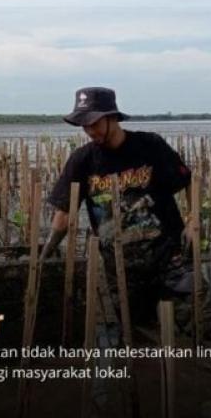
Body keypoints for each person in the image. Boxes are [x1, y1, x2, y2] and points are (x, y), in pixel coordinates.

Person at [42, 87, 193, 323]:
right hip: (122, 267)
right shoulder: (82, 160)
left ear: (112, 117)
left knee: (203, 322)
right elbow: (63, 213)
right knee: (136, 332)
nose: (89, 131)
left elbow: (188, 180)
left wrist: (193, 222)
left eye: (94, 123)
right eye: (84, 124)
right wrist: (44, 256)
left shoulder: (150, 145)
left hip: (170, 256)